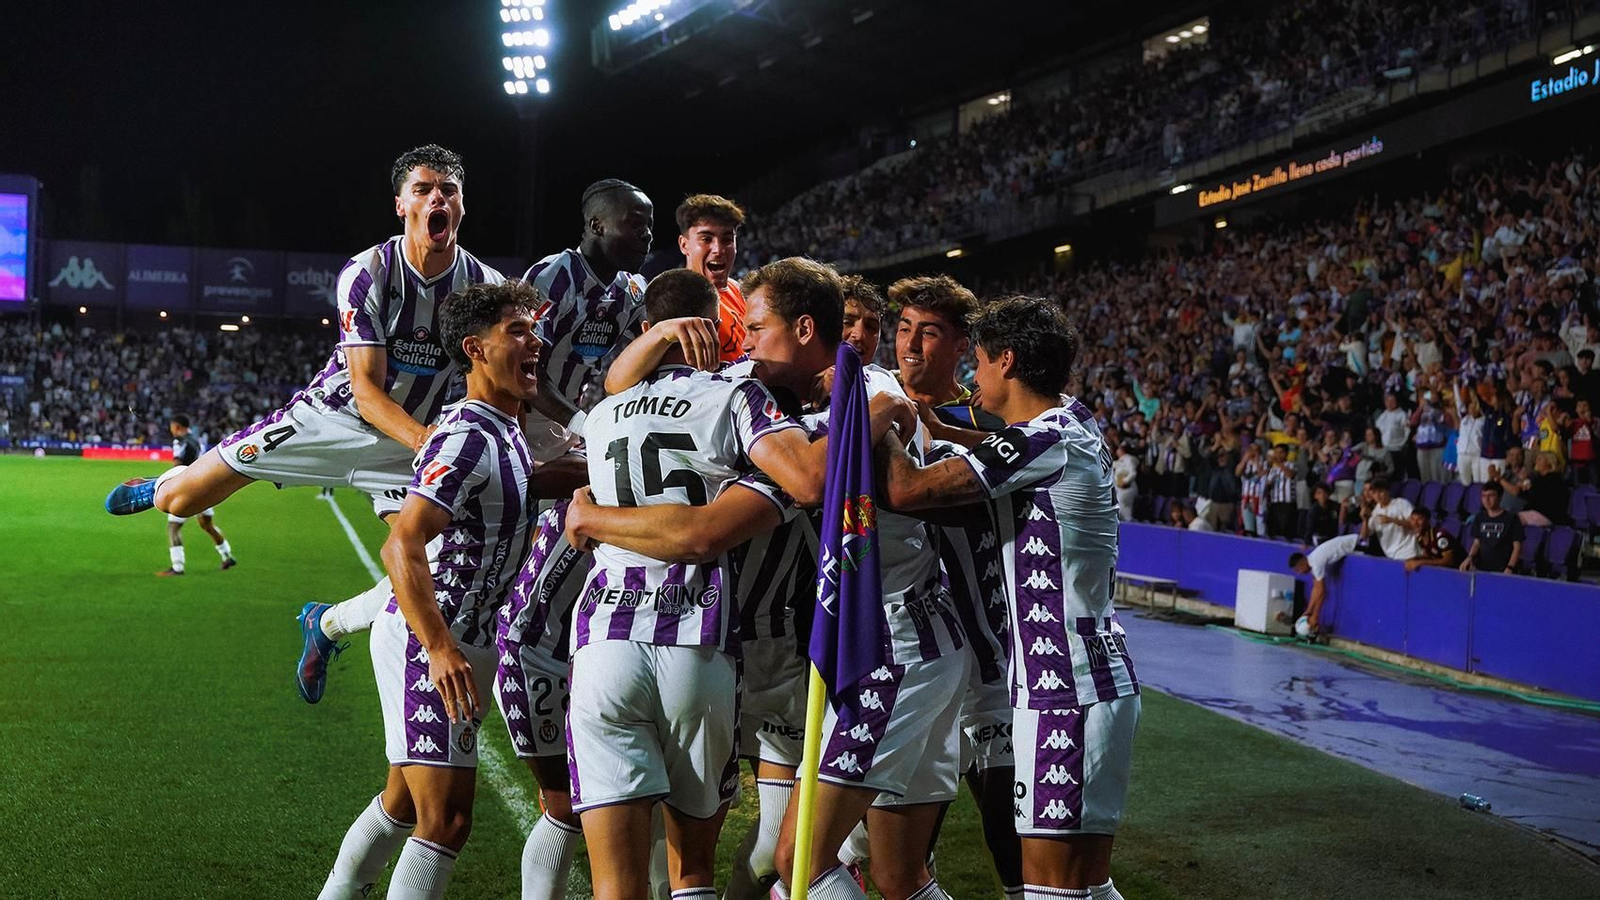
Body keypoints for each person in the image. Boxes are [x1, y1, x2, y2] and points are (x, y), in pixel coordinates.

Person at [101, 145, 507, 704]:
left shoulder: (483, 286)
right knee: (182, 503)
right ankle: (157, 488)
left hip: (407, 446)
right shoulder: (368, 273)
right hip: (331, 420)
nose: (438, 197)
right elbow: (365, 390)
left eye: (449, 190)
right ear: (401, 204)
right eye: (423, 189)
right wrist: (426, 442)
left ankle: (327, 625)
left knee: (430, 570)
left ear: (461, 205)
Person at [558, 267, 854, 900]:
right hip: (695, 641)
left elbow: (614, 381)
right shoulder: (735, 393)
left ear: (648, 330)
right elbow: (805, 478)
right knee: (691, 872)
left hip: (604, 639)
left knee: (615, 883)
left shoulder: (604, 412)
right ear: (717, 328)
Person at [878, 296, 1138, 900]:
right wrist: (943, 428)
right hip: (1085, 676)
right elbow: (1001, 447)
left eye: (980, 361)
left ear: (1008, 361)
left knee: (1052, 888)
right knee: (1086, 886)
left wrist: (882, 417)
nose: (974, 376)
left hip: (1063, 685)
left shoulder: (1040, 442)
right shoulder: (1073, 422)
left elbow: (907, 490)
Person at [315, 280, 540, 900]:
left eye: (534, 330)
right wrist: (439, 648)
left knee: (404, 802)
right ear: (475, 348)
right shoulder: (467, 434)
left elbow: (516, 485)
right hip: (432, 638)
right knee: (446, 821)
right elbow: (401, 545)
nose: (535, 343)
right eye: (517, 331)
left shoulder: (502, 427)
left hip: (463, 635)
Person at [157, 415, 237, 576]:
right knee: (207, 525)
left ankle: (177, 567)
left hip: (187, 488)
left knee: (173, 527)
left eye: (172, 427)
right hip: (205, 486)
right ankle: (227, 555)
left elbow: (177, 464)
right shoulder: (197, 440)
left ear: (177, 427)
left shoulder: (179, 441)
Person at [676, 193, 750, 363]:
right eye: (706, 239)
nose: (718, 249)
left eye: (727, 239)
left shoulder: (737, 289)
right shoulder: (676, 301)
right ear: (684, 245)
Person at [1287, 532, 1362, 637]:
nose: (1299, 573)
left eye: (1298, 570)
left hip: (1357, 544)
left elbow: (1322, 591)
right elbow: (1316, 589)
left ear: (1302, 563)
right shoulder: (1312, 561)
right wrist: (1308, 611)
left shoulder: (1316, 563)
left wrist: (1315, 616)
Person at [1461, 482, 1524, 574]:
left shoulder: (1512, 518)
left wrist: (1510, 567)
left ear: (1500, 497)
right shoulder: (1479, 517)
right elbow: (1477, 543)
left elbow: (1517, 547)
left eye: (1491, 495)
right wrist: (1469, 557)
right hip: (1481, 569)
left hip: (1503, 570)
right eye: (1483, 496)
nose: (1487, 499)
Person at [1362, 478, 1418, 561]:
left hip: (1409, 552)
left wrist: (1392, 520)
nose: (1377, 496)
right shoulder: (1375, 513)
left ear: (1388, 491)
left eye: (1380, 492)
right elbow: (1364, 537)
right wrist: (1365, 520)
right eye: (1374, 493)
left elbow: (1415, 525)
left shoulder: (1402, 503)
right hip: (1391, 556)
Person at [1403, 509, 1463, 573]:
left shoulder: (1440, 536)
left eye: (1419, 519)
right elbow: (1429, 556)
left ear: (1428, 522)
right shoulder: (1419, 540)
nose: (1415, 523)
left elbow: (1449, 561)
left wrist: (1420, 562)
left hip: (1460, 572)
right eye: (1413, 519)